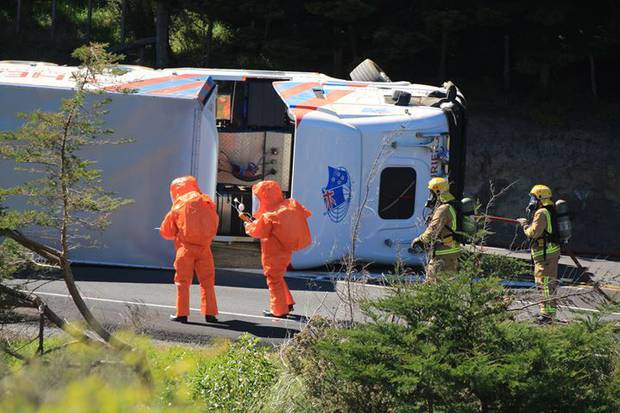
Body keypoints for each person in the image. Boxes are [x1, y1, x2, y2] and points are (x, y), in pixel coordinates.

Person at [240, 180, 312, 318]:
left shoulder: (270, 215)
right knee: (278, 277)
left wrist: (248, 225)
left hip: (273, 253)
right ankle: (287, 302)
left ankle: (279, 310)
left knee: (273, 279)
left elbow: (258, 231)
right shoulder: (286, 206)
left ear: (265, 197)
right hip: (284, 251)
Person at [160, 176, 219, 323]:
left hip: (185, 249)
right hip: (205, 249)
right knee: (207, 282)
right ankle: (210, 313)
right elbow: (215, 222)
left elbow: (167, 231)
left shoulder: (179, 204)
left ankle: (182, 314)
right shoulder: (207, 201)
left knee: (183, 282)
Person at [517, 184, 561, 324]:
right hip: (550, 251)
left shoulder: (541, 213)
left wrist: (524, 225)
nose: (531, 201)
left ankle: (547, 316)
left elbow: (534, 233)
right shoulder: (550, 210)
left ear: (540, 198)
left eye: (533, 198)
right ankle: (548, 313)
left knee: (544, 284)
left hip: (544, 254)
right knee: (549, 284)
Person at [410, 177, 461, 282]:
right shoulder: (450, 205)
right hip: (450, 254)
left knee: (435, 285)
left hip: (444, 256)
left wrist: (420, 240)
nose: (430, 197)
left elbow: (433, 228)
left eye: (432, 194)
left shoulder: (443, 209)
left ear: (438, 193)